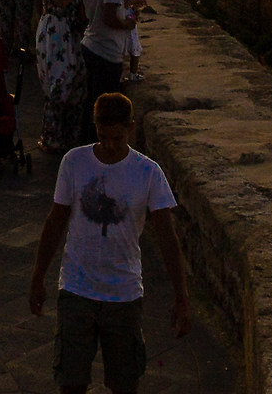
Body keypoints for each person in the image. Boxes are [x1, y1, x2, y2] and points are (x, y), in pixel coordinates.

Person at [27, 92, 189, 394]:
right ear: (95, 128)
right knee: (70, 382)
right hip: (77, 289)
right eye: (103, 138)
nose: (110, 146)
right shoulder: (74, 162)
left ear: (130, 128)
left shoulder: (148, 172)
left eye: (117, 138)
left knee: (124, 384)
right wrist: (38, 277)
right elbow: (55, 221)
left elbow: (168, 238)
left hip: (123, 294)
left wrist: (181, 296)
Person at [77, 0, 139, 144]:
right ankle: (103, 145)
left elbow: (88, 13)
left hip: (90, 44)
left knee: (91, 101)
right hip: (106, 51)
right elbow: (109, 17)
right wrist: (128, 24)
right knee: (107, 106)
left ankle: (85, 142)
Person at [36, 0, 90, 153]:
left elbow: (82, 8)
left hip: (73, 34)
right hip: (55, 34)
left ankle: (70, 135)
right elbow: (61, 2)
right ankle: (51, 136)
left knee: (76, 82)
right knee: (59, 83)